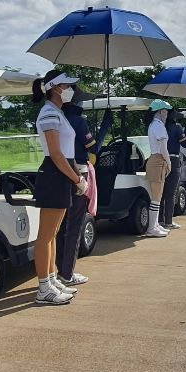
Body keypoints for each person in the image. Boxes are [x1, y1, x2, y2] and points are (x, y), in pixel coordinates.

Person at [31, 70, 84, 305]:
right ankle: (43, 288)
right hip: (55, 174)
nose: (71, 89)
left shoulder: (56, 112)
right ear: (55, 88)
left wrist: (74, 176)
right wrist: (76, 178)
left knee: (53, 234)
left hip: (60, 174)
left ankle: (51, 279)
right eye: (67, 85)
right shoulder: (49, 112)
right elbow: (55, 153)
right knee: (46, 236)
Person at [56, 92, 112, 288]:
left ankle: (58, 270)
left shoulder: (59, 117)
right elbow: (93, 148)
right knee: (75, 226)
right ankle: (67, 273)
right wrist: (104, 127)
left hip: (61, 173)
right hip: (79, 172)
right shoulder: (78, 121)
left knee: (61, 226)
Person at [143, 99, 173, 237]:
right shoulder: (158, 125)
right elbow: (163, 148)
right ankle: (152, 227)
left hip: (155, 160)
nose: (167, 114)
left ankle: (154, 225)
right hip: (158, 160)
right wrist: (169, 162)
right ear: (160, 111)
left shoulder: (154, 125)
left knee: (157, 196)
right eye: (166, 111)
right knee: (156, 196)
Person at [160, 109, 186, 229]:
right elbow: (185, 144)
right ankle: (168, 221)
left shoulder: (161, 126)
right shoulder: (177, 127)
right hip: (173, 159)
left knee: (160, 192)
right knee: (170, 193)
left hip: (160, 159)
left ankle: (159, 220)